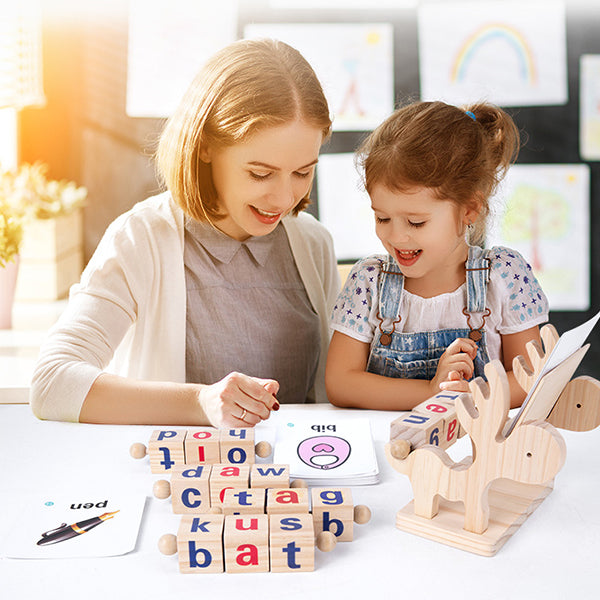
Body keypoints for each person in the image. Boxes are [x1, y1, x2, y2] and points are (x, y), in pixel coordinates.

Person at [31, 39, 340, 427]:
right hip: (175, 482)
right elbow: (52, 384)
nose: (284, 198)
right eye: (260, 173)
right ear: (206, 146)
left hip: (285, 481)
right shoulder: (142, 238)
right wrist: (199, 402)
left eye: (302, 172)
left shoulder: (312, 245)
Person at [326, 100, 548, 411]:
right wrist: (433, 392)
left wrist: (464, 399)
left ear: (470, 208)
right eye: (382, 218)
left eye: (416, 222)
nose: (395, 236)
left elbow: (530, 378)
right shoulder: (369, 282)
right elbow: (341, 383)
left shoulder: (503, 276)